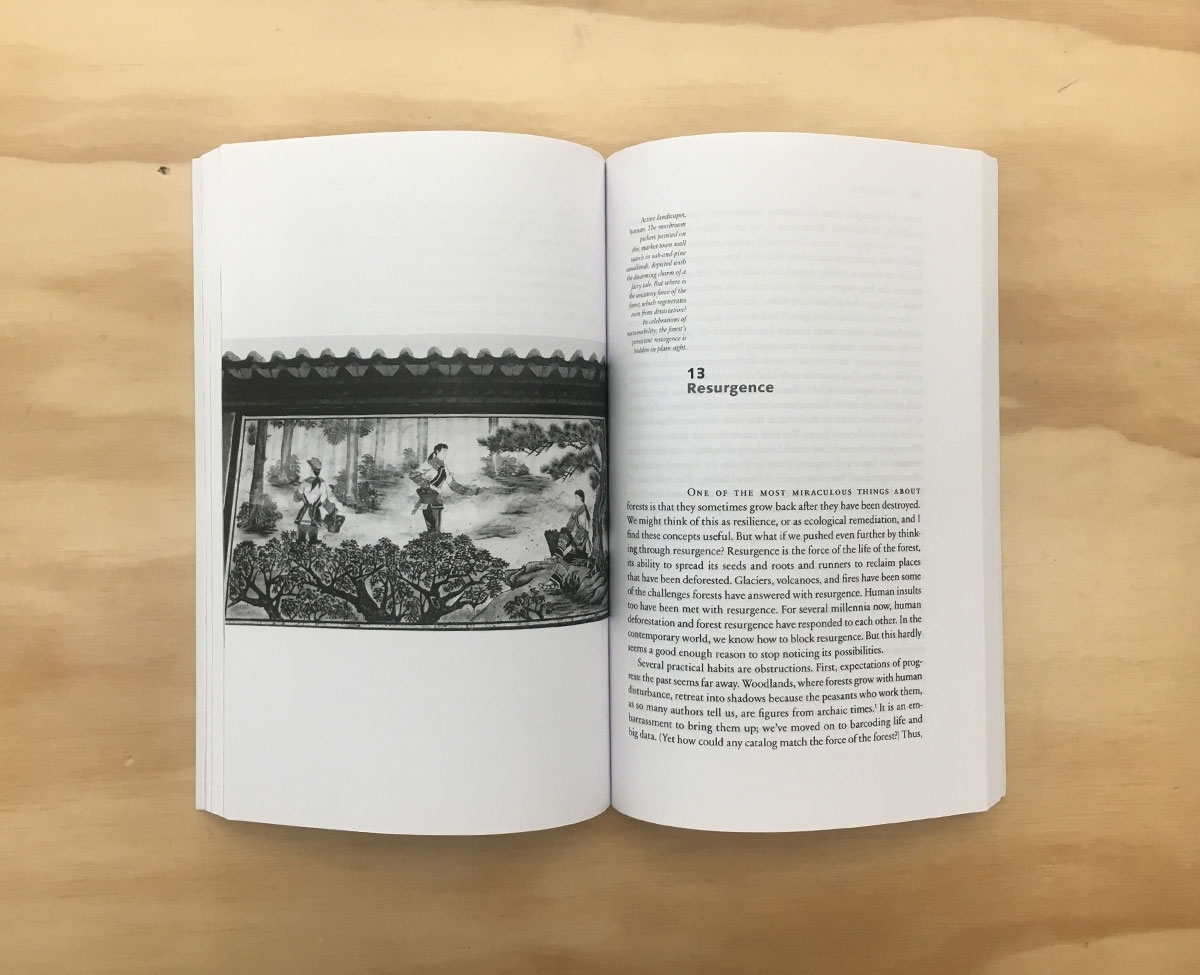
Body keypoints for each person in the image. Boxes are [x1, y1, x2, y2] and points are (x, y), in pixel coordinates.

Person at [409, 443, 480, 533]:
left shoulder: (444, 467)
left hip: (437, 500)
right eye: (444, 451)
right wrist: (430, 486)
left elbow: (453, 485)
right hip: (426, 499)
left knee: (436, 530)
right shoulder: (428, 464)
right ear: (437, 451)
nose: (446, 454)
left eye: (446, 452)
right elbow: (413, 475)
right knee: (432, 530)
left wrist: (471, 492)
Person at [294, 457, 342, 537]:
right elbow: (323, 501)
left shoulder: (305, 482)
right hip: (315, 516)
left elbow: (297, 497)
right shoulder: (323, 483)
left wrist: (302, 497)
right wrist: (333, 510)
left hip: (303, 515)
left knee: (301, 539)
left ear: (311, 469)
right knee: (313, 539)